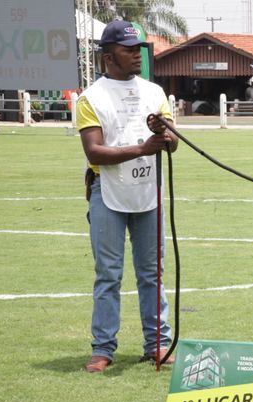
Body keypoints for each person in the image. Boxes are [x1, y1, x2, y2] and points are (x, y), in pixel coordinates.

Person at [76, 20, 179, 373]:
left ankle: (158, 344)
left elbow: (174, 144)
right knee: (109, 273)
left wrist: (163, 134)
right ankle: (103, 348)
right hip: (108, 192)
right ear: (107, 57)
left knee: (153, 272)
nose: (137, 55)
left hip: (148, 190)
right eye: (128, 49)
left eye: (139, 49)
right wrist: (142, 147)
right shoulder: (91, 98)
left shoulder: (154, 92)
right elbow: (94, 153)